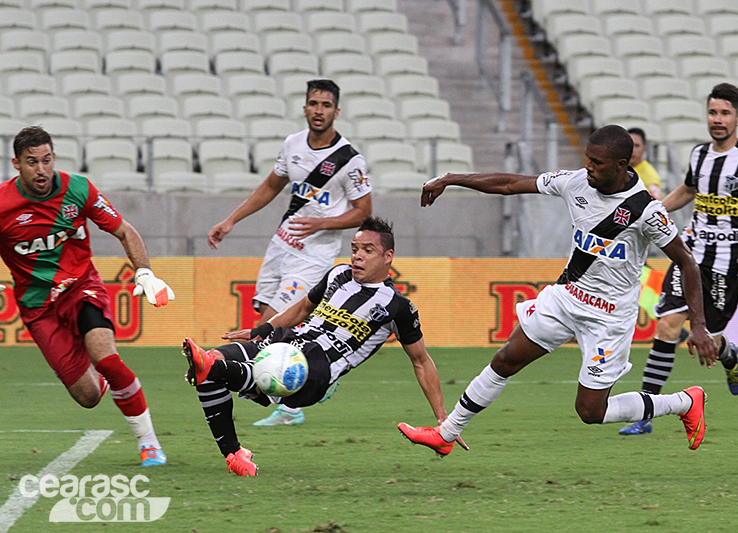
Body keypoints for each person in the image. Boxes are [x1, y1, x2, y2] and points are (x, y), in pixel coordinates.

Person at [397, 124, 718, 457]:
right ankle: (446, 433)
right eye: (587, 159)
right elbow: (509, 184)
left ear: (622, 166)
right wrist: (451, 178)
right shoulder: (576, 182)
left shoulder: (648, 212)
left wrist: (697, 326)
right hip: (567, 298)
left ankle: (683, 401)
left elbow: (687, 263)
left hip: (608, 319)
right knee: (507, 359)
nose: (589, 167)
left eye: (597, 162)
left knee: (590, 411)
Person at [183, 217, 466, 476]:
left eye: (368, 250)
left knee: (211, 367)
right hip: (286, 344)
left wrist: (444, 420)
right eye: (354, 248)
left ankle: (211, 367)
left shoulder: (397, 306)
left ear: (387, 257)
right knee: (211, 361)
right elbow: (303, 307)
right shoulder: (338, 274)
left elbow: (421, 361)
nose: (357, 255)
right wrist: (263, 330)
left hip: (317, 370)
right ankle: (234, 453)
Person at [620, 83, 738, 436]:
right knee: (667, 325)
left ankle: (730, 355)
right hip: (691, 253)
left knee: (707, 338)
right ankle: (646, 412)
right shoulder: (699, 154)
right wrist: (650, 212)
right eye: (713, 112)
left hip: (727, 264)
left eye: (725, 113)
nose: (718, 119)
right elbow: (686, 191)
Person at [0, 126, 175, 466]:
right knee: (88, 396)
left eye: (47, 160)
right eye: (32, 162)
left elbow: (124, 230)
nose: (41, 169)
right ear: (16, 164)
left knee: (107, 359)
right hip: (38, 308)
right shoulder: (3, 204)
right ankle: (107, 385)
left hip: (82, 288)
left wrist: (144, 272)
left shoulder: (77, 189)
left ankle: (149, 443)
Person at [207, 79, 372, 428]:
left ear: (336, 112)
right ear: (305, 107)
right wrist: (231, 220)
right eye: (313, 103)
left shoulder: (349, 160)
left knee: (272, 325)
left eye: (326, 105)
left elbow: (363, 212)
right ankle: (290, 388)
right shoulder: (292, 145)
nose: (319, 110)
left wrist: (322, 224)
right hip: (281, 245)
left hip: (313, 256)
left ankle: (291, 403)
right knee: (267, 321)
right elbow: (270, 186)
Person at [628, 127, 662, 199]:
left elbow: (654, 201)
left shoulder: (650, 176)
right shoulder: (618, 168)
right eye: (629, 144)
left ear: (644, 148)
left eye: (637, 146)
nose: (632, 150)